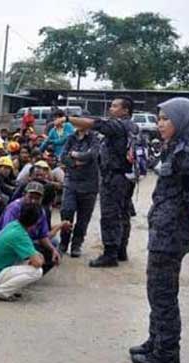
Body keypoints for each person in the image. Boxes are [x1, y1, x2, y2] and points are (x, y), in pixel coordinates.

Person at [130, 98, 189, 363]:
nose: (160, 124)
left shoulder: (187, 152)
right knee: (156, 290)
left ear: (182, 121)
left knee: (163, 294)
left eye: (166, 119)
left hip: (171, 233)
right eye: (159, 118)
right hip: (164, 229)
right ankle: (156, 342)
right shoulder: (174, 147)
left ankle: (166, 355)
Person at [62, 96, 137, 267]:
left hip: (114, 177)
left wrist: (68, 118)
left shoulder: (118, 125)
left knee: (110, 215)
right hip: (127, 177)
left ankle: (110, 254)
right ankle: (121, 250)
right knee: (123, 213)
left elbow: (97, 124)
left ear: (126, 110)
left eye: (115, 106)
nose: (111, 109)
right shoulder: (133, 126)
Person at [0, 202, 45, 301]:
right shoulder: (20, 234)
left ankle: (6, 289)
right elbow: (38, 262)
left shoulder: (13, 224)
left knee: (28, 260)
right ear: (36, 222)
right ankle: (2, 291)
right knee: (37, 271)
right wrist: (39, 257)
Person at [0, 182, 61, 274]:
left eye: (37, 198)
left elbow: (42, 236)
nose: (33, 201)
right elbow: (8, 235)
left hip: (26, 241)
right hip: (11, 243)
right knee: (37, 257)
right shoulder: (14, 208)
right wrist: (31, 251)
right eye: (31, 197)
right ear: (24, 195)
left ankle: (24, 271)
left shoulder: (41, 211)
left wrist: (53, 250)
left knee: (53, 247)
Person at [59, 126, 100, 257]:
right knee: (67, 211)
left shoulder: (94, 138)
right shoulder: (71, 138)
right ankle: (63, 243)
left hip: (90, 184)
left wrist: (75, 154)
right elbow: (63, 157)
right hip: (71, 181)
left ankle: (76, 245)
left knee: (84, 218)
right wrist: (76, 163)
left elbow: (92, 155)